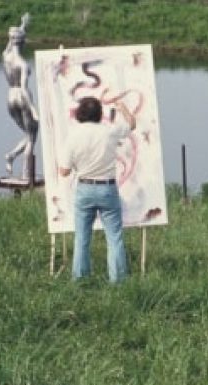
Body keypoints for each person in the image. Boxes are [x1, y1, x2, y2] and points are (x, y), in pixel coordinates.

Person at [59, 97, 134, 283]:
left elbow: (64, 171)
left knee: (82, 238)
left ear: (80, 113)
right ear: (100, 114)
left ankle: (80, 280)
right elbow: (132, 124)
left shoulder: (73, 135)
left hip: (84, 188)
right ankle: (118, 281)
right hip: (107, 188)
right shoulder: (110, 131)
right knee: (114, 237)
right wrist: (122, 107)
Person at [3, 12, 39, 179]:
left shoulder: (5, 56)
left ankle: (11, 156)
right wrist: (33, 109)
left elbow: (11, 43)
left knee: (27, 134)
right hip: (22, 96)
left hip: (10, 96)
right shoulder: (22, 64)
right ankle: (26, 175)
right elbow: (24, 88)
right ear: (23, 42)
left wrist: (22, 25)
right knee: (32, 137)